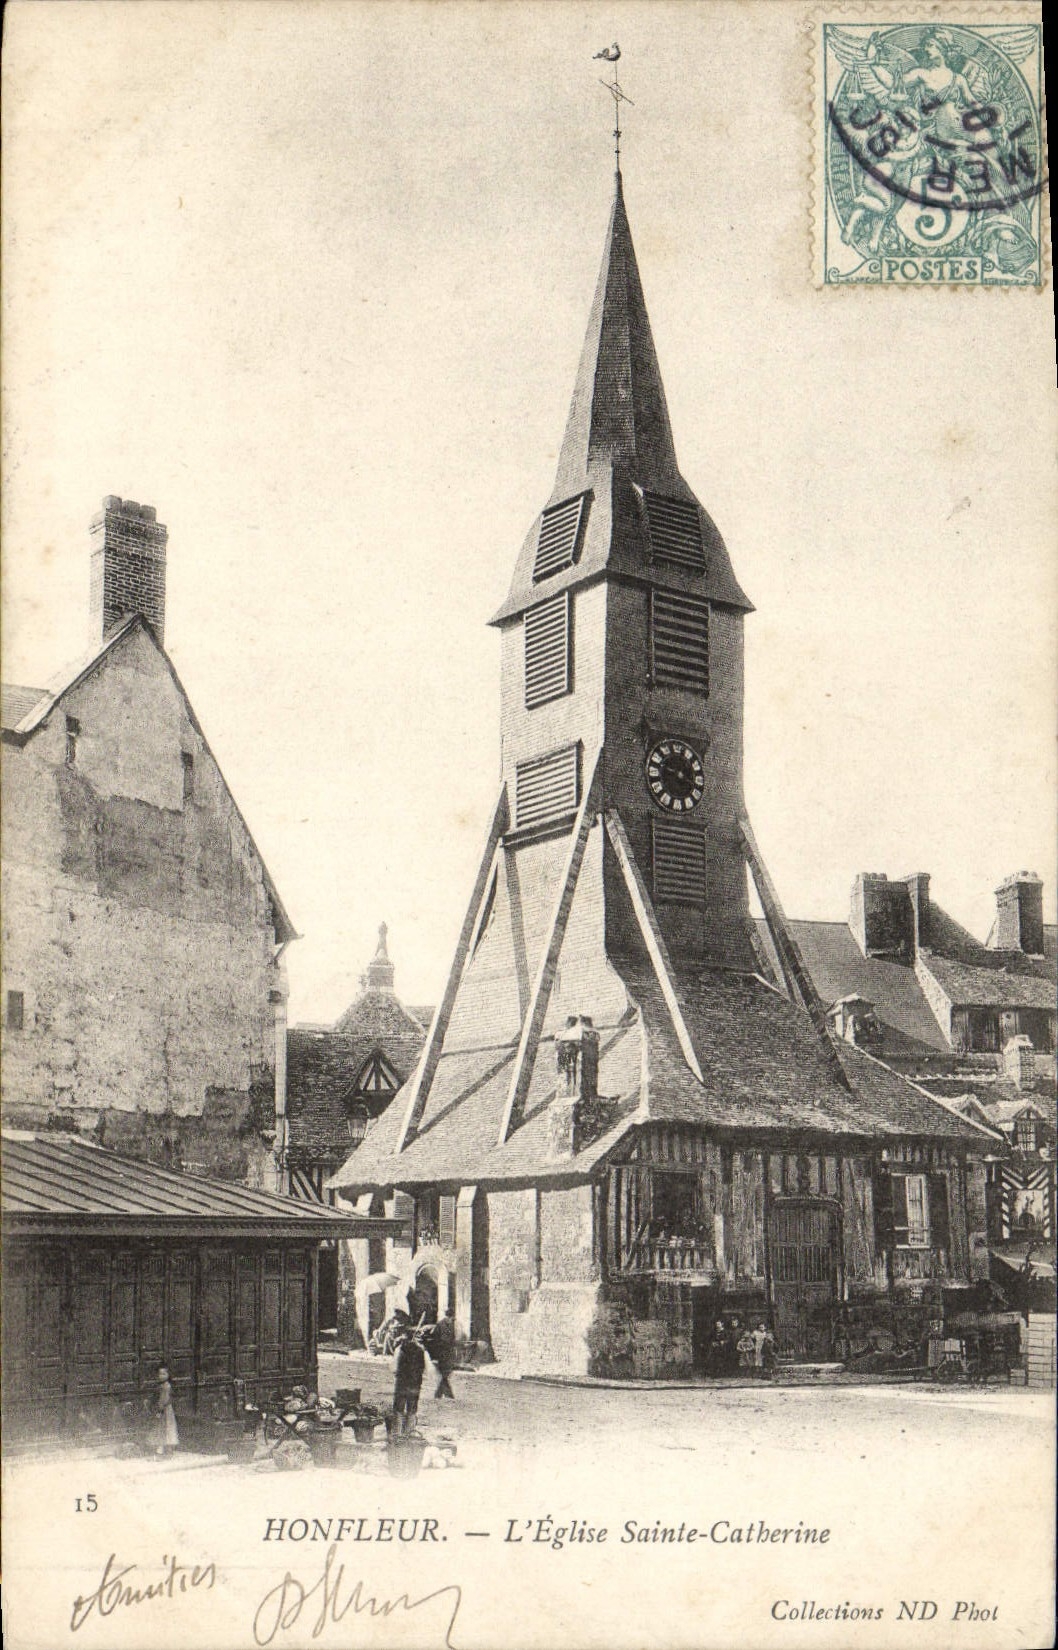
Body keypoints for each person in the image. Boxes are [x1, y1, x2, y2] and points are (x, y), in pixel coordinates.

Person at [392, 1328, 426, 1436]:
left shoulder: (400, 1349)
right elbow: (423, 1368)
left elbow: (394, 1368)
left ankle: (398, 1433)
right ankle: (409, 1433)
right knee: (412, 1409)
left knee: (399, 1408)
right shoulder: (420, 1350)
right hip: (415, 1384)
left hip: (402, 1384)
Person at [425, 1312, 457, 1400]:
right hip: (441, 1353)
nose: (453, 1321)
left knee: (445, 1374)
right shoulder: (439, 1325)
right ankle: (445, 1395)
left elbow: (452, 1340)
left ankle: (441, 1394)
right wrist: (435, 1356)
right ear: (448, 1316)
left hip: (448, 1353)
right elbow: (435, 1341)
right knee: (444, 1374)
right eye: (452, 1319)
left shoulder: (450, 1325)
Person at [153, 1365, 179, 1457]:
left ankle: (167, 1451)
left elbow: (165, 1399)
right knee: (164, 1429)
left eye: (164, 1374)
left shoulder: (166, 1386)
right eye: (160, 1374)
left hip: (166, 1410)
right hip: (165, 1409)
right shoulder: (161, 1385)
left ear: (168, 1375)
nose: (161, 1376)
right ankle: (165, 1450)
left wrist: (160, 1411)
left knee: (167, 1429)